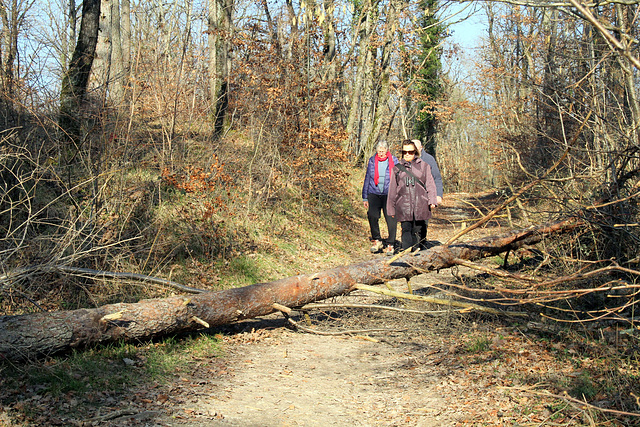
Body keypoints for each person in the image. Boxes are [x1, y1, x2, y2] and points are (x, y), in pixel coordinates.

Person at [387, 140, 438, 251]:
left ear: (415, 152)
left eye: (410, 152)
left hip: (421, 205)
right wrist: (390, 209)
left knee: (418, 231)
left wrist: (432, 200)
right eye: (405, 152)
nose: (407, 154)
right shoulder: (396, 169)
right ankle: (407, 258)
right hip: (403, 206)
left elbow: (430, 184)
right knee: (406, 230)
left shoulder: (424, 166)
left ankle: (418, 256)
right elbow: (392, 190)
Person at [362, 140, 399, 256]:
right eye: (379, 151)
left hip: (389, 193)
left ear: (387, 150)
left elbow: (399, 179)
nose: (381, 153)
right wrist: (365, 197)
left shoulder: (394, 160)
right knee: (372, 215)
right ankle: (377, 240)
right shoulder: (372, 161)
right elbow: (367, 178)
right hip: (374, 192)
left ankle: (391, 244)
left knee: (391, 218)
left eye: (383, 151)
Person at [412, 139, 443, 249]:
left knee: (423, 222)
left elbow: (437, 178)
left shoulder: (429, 159)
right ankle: (413, 245)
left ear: (421, 148)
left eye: (416, 148)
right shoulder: (407, 159)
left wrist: (438, 195)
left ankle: (422, 243)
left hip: (425, 195)